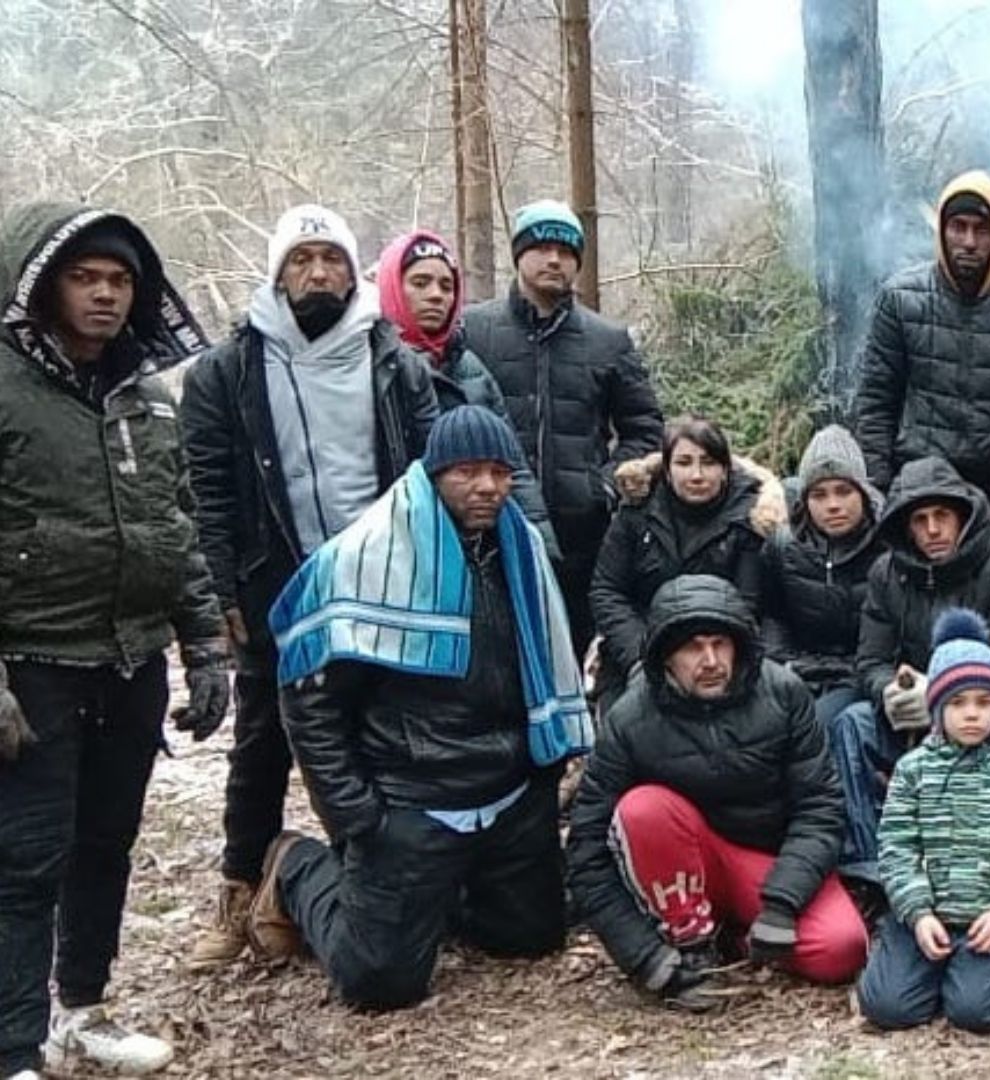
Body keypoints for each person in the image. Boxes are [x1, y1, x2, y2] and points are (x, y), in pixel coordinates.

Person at [246, 407, 591, 1009]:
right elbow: (310, 703)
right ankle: (297, 868)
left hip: (508, 792)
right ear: (433, 475)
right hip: (411, 800)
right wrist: (359, 816)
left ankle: (446, 892)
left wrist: (542, 777)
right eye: (468, 472)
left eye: (501, 472)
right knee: (379, 984)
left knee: (530, 940)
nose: (488, 487)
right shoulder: (366, 556)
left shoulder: (522, 549)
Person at [0, 203, 231, 1079]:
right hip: (34, 663)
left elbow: (174, 525)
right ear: (40, 284)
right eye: (84, 277)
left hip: (129, 661)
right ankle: (13, 1045)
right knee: (25, 858)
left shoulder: (144, 394)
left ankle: (79, 1014)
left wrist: (203, 644)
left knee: (105, 842)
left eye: (120, 280)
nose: (104, 295)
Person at [179, 204, 438, 973]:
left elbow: (426, 472)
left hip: (378, 583)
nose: (318, 272)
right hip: (275, 585)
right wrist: (221, 590)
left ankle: (371, 884)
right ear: (278, 272)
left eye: (332, 258)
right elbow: (208, 494)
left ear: (352, 272)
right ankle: (239, 886)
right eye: (302, 259)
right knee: (263, 742)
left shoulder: (393, 362)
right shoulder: (226, 372)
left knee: (382, 730)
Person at [568, 575, 866, 1009]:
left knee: (842, 947)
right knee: (642, 809)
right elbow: (586, 847)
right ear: (665, 657)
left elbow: (820, 806)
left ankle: (738, 933)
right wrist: (640, 955)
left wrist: (783, 902)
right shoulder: (629, 717)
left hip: (768, 861)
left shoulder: (784, 692)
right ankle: (690, 942)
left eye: (720, 644)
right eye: (692, 647)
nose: (710, 660)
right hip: (682, 864)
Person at [462, 200, 664, 654]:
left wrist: (606, 485)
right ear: (519, 254)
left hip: (581, 541)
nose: (555, 259)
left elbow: (645, 429)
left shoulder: (608, 340)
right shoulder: (473, 330)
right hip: (489, 531)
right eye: (542, 247)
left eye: (567, 250)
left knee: (569, 658)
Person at [831, 456, 990, 885]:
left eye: (942, 516)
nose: (932, 530)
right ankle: (870, 864)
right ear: (904, 526)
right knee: (851, 724)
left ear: (963, 515)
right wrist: (890, 690)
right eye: (920, 519)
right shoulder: (887, 573)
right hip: (909, 710)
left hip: (981, 708)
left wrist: (944, 693)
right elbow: (870, 659)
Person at [856, 610, 990, 1033]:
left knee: (977, 1013)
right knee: (887, 1008)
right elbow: (896, 846)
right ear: (937, 708)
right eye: (958, 703)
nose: (972, 714)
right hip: (924, 915)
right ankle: (922, 963)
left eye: (984, 702)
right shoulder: (914, 770)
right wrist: (916, 912)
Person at [853, 171, 990, 526]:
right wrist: (876, 493)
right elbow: (877, 404)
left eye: (982, 229)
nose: (969, 241)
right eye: (958, 227)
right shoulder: (901, 300)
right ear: (942, 231)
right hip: (916, 485)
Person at [374, 228, 554, 553]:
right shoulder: (371, 366)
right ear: (392, 287)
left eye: (447, 286)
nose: (436, 295)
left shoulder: (469, 365)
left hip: (477, 544)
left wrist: (540, 545)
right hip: (398, 545)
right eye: (420, 283)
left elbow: (510, 462)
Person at [589, 416, 781, 700]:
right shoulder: (635, 513)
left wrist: (698, 659)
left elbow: (747, 604)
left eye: (709, 462)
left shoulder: (749, 520)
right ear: (666, 469)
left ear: (725, 469)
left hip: (720, 654)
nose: (697, 475)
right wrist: (642, 657)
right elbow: (607, 590)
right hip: (638, 648)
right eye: (684, 463)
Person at [762, 425, 887, 734]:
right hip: (796, 671)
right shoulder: (783, 546)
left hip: (859, 676)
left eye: (844, 491)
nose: (833, 505)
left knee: (815, 726)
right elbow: (770, 617)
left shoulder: (888, 546)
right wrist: (784, 665)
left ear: (863, 492)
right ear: (805, 500)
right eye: (819, 494)